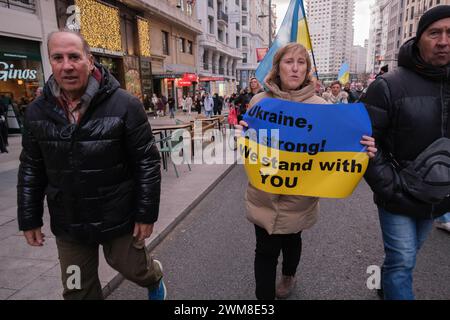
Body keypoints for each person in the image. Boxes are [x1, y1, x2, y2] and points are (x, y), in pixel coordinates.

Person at [17, 30, 165, 300]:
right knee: (77, 291)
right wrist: (29, 218)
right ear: (50, 62)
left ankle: (154, 277)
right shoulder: (37, 111)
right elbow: (30, 167)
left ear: (90, 59)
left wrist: (146, 213)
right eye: (58, 58)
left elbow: (147, 162)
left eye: (74, 56)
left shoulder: (125, 104)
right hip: (69, 221)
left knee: (134, 269)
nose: (67, 65)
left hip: (118, 215)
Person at [236, 42, 377, 300]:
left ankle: (289, 274)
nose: (295, 68)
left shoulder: (321, 106)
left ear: (307, 70)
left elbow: (339, 142)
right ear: (278, 67)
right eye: (289, 62)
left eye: (301, 63)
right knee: (264, 251)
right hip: (263, 196)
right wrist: (242, 135)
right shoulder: (259, 102)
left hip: (299, 198)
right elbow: (251, 142)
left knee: (291, 241)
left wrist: (362, 147)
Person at [362, 6, 450, 300]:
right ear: (419, 38)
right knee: (403, 261)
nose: (443, 40)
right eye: (434, 32)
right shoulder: (387, 86)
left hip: (440, 195)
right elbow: (364, 145)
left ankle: (385, 283)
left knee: (405, 255)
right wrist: (391, 186)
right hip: (398, 196)